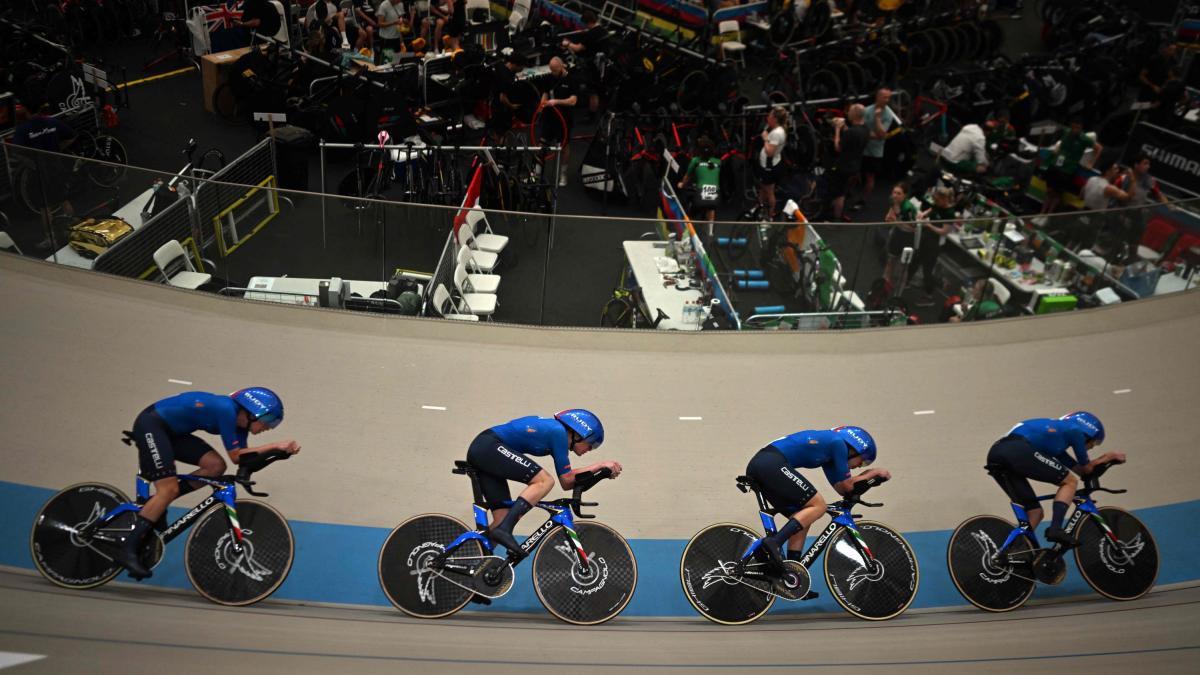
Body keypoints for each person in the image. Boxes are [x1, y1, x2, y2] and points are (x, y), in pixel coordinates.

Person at [116, 388, 301, 579]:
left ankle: (157, 503)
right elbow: (237, 455)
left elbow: (241, 460)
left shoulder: (240, 424)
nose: (269, 427)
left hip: (173, 433)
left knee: (215, 466)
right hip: (152, 425)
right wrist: (274, 446)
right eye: (269, 419)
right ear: (253, 411)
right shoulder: (226, 409)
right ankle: (126, 550)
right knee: (168, 489)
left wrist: (278, 455)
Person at [465, 409, 622, 554]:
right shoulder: (558, 432)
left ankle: (473, 561)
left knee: (501, 519)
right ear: (580, 434)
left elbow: (567, 483)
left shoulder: (558, 435)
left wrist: (600, 474)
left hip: (486, 450)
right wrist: (600, 465)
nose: (589, 450)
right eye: (591, 445)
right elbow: (567, 479)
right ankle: (505, 530)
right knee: (544, 481)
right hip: (488, 445)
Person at [744, 426, 890, 573]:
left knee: (803, 516)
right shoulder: (837, 443)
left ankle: (792, 572)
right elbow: (847, 484)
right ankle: (773, 543)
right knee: (819, 506)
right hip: (770, 462)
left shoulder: (830, 453)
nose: (859, 466)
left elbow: (844, 489)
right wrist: (873, 473)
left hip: (764, 463)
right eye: (863, 461)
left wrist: (867, 480)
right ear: (855, 449)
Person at [986, 412, 1124, 545]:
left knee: (1035, 512)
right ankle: (1055, 528)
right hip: (1017, 449)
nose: (1093, 447)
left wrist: (1103, 467)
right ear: (1088, 433)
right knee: (1070, 482)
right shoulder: (1075, 431)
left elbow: (1082, 472)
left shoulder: (1057, 445)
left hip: (997, 453)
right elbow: (1087, 468)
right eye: (1094, 442)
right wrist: (1108, 457)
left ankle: (1014, 550)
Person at [11, 102, 78, 247]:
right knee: (64, 199)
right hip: (56, 166)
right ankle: (73, 230)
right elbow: (72, 136)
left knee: (44, 207)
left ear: (26, 111)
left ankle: (51, 239)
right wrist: (59, 149)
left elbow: (15, 151)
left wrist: (30, 162)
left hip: (39, 171)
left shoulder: (23, 129)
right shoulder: (52, 121)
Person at [1040, 116, 1101, 218]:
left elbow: (1099, 148)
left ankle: (1048, 215)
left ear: (1081, 128)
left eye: (1078, 128)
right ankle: (1041, 213)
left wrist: (1091, 163)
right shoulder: (1066, 132)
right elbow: (1060, 143)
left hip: (1067, 170)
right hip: (1055, 165)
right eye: (1073, 127)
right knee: (1049, 190)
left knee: (1057, 193)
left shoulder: (1084, 139)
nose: (1075, 130)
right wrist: (1057, 149)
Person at [910, 185, 955, 306]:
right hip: (925, 238)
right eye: (935, 201)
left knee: (927, 271)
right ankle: (907, 281)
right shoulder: (937, 204)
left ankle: (929, 296)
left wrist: (929, 225)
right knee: (915, 260)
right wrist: (922, 215)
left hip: (934, 244)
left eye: (938, 200)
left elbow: (944, 231)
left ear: (945, 199)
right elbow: (929, 211)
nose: (935, 202)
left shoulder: (950, 213)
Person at [561, 9, 607, 118]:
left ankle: (591, 115)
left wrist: (567, 44)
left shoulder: (591, 34)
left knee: (592, 92)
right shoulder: (603, 30)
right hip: (603, 65)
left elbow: (578, 48)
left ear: (588, 22)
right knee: (597, 90)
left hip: (593, 65)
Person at [540, 56, 578, 187]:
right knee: (542, 144)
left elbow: (573, 101)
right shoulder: (549, 77)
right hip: (549, 117)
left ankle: (563, 173)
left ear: (562, 67)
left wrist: (557, 101)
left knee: (564, 146)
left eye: (555, 70)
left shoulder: (571, 79)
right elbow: (545, 92)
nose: (553, 73)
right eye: (551, 70)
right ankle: (537, 170)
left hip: (564, 119)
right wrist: (543, 102)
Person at [859, 88, 898, 211]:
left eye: (888, 98)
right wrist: (872, 135)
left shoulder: (888, 115)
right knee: (854, 174)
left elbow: (882, 134)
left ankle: (863, 200)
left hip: (875, 152)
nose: (887, 100)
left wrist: (877, 118)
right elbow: (860, 129)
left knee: (870, 177)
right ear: (878, 97)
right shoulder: (866, 110)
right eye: (884, 97)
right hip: (862, 149)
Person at [828, 104, 868, 222]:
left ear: (854, 114)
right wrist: (844, 126)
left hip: (843, 167)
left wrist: (837, 130)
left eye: (850, 111)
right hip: (855, 166)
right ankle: (840, 213)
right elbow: (851, 135)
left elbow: (838, 147)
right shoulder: (865, 129)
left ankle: (836, 218)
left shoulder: (851, 133)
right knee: (845, 191)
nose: (847, 113)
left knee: (839, 193)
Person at [678, 135, 721, 231]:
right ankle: (710, 232)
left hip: (700, 195)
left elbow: (687, 177)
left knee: (692, 209)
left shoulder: (695, 161)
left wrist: (682, 184)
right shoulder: (718, 162)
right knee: (711, 208)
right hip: (715, 196)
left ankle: (689, 230)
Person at [883, 181, 918, 288]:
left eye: (899, 193)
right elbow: (888, 218)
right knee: (890, 260)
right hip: (897, 234)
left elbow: (912, 228)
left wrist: (896, 222)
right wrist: (891, 220)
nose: (895, 195)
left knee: (903, 266)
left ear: (905, 195)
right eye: (894, 192)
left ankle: (900, 289)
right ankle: (884, 283)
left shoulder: (908, 208)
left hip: (908, 238)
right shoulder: (893, 202)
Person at [755, 106, 788, 219]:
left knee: (769, 192)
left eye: (770, 115)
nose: (767, 117)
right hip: (768, 165)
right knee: (763, 188)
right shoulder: (775, 129)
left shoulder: (776, 133)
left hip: (769, 167)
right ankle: (760, 208)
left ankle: (770, 215)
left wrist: (765, 138)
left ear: (775, 119)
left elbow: (769, 152)